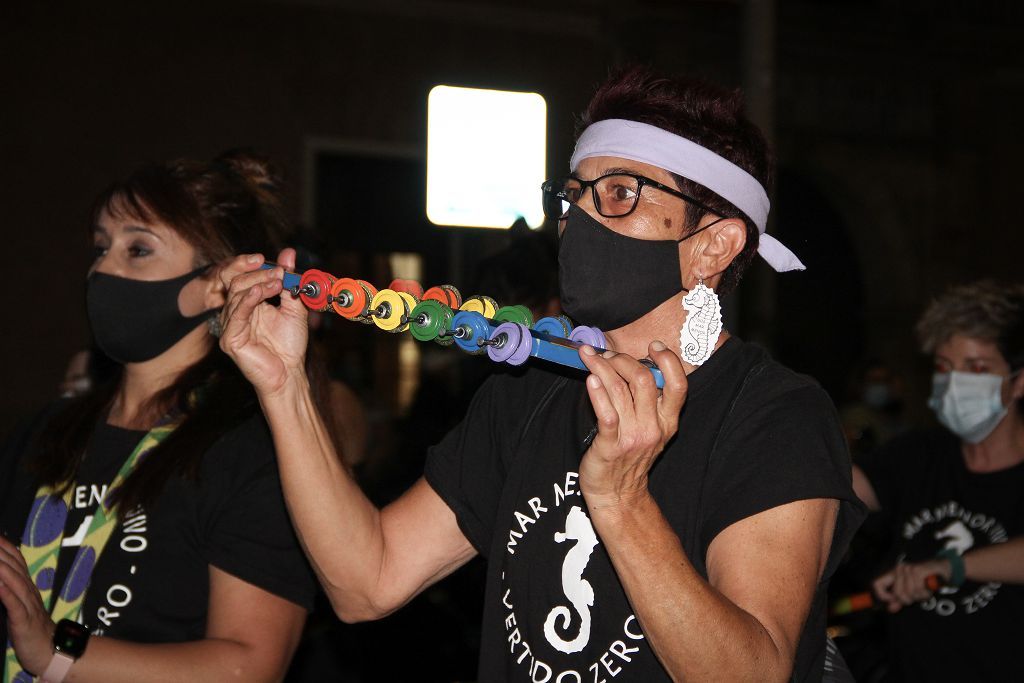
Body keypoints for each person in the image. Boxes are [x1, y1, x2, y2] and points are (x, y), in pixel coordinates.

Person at [220, 66, 864, 681]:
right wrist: (284, 386)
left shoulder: (775, 415)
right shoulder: (529, 394)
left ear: (713, 245)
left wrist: (620, 499)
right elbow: (367, 581)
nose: (577, 218)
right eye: (573, 194)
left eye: (618, 193)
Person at [0, 151, 316, 682]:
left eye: (138, 249)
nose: (102, 269)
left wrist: (56, 652)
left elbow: (250, 664)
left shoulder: (249, 450)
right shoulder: (45, 431)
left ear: (216, 284)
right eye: (101, 247)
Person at [851, 281, 1024, 682]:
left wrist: (950, 568)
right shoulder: (917, 456)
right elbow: (838, 487)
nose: (956, 383)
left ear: (1018, 381)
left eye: (977, 368)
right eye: (946, 368)